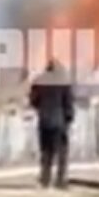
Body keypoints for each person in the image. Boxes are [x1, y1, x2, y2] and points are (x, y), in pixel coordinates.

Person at [29, 58, 74, 189]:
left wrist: (41, 108)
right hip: (59, 121)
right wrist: (69, 118)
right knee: (62, 152)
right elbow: (68, 102)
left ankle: (45, 179)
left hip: (44, 121)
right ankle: (60, 180)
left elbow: (33, 101)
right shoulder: (64, 82)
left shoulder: (39, 81)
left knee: (46, 152)